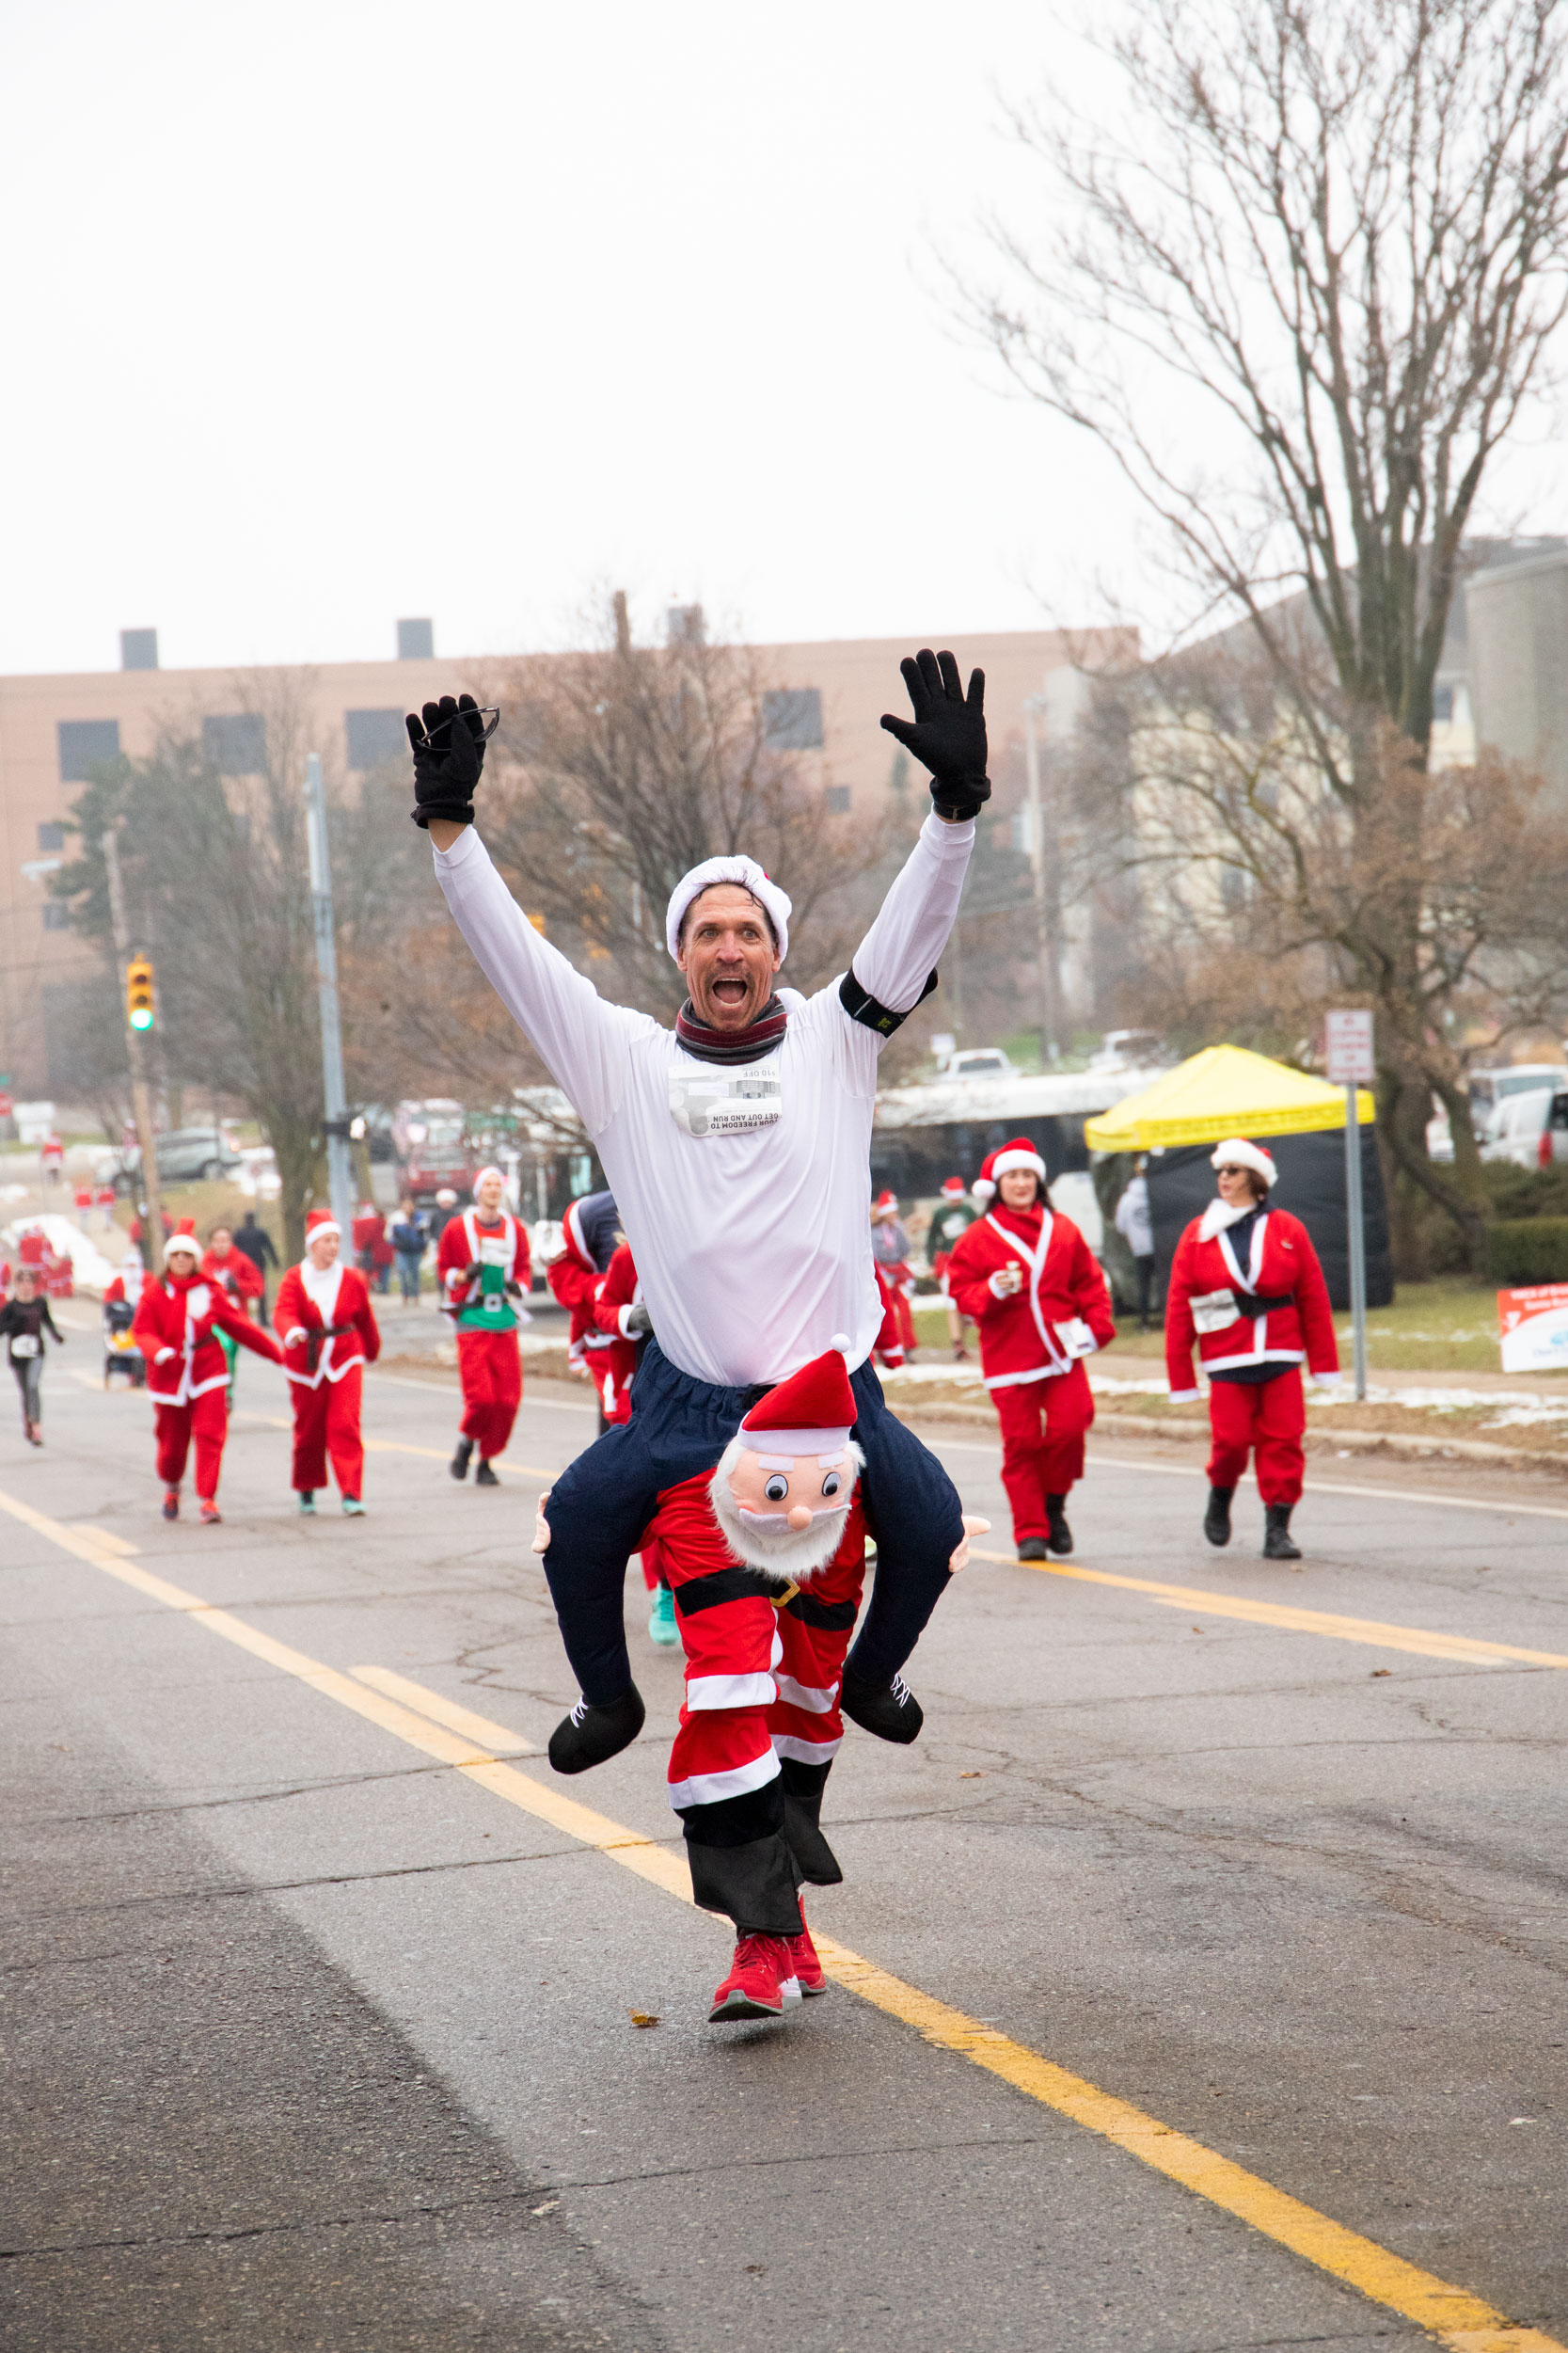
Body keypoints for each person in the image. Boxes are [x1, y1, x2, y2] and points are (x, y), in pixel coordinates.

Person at [410, 652, 987, 1772]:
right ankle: (609, 1701)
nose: (730, 948)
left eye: (749, 932)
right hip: (686, 1402)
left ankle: (870, 1674)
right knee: (576, 1527)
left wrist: (952, 817)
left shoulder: (839, 1035)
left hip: (826, 1395)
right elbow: (518, 962)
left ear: (776, 951)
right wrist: (450, 832)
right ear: (681, 954)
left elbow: (907, 935)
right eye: (707, 933)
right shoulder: (618, 1058)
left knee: (932, 1525)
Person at [1165, 1138, 1339, 1561]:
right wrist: (1181, 1375)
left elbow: (1313, 1295)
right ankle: (1220, 1496)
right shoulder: (1197, 1233)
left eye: (1232, 1171)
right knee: (1231, 1441)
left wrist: (1324, 1364)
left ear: (1255, 1178)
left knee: (1283, 1441)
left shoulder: (1288, 1228)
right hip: (1227, 1354)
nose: (1223, 1179)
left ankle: (1277, 1528)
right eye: (1220, 1172)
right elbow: (1179, 1304)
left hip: (1280, 1352)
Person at [946, 1138, 1116, 1560]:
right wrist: (990, 1290)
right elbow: (961, 1292)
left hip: (1061, 1353)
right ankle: (1031, 1531)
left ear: (1038, 1181)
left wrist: (1096, 1327)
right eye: (1012, 1177)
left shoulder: (1063, 1229)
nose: (1021, 1184)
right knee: (1021, 1444)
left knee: (1070, 1429)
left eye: (1027, 1175)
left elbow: (1089, 1283)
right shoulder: (978, 1237)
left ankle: (1054, 1505)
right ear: (997, 1185)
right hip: (1009, 1357)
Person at [131, 1218, 283, 1522]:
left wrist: (277, 1355)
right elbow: (142, 1330)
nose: (182, 1261)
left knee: (210, 1433)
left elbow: (239, 1326)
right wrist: (159, 1352)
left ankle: (208, 1498)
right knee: (172, 1443)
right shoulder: (155, 1292)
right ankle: (172, 1487)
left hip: (208, 1368)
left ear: (196, 1259)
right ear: (168, 1259)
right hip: (170, 1374)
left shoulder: (210, 1290)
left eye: (187, 1256)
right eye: (176, 1256)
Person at [589, 1237, 673, 1643]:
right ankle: (664, 1590)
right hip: (637, 1389)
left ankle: (686, 1587)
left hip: (697, 1391)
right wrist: (634, 1317)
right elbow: (600, 1310)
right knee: (651, 1496)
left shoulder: (703, 1244)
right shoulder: (628, 1256)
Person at [274, 1210, 382, 1516]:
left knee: (345, 1423)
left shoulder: (352, 1278)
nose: (332, 1247)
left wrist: (372, 1350)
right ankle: (306, 1488)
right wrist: (292, 1331)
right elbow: (282, 1311)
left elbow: (364, 1319)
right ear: (312, 1245)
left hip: (345, 1356)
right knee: (309, 1429)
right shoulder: (295, 1277)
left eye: (336, 1241)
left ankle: (351, 1492)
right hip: (304, 1361)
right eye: (326, 1241)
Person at [436, 1165, 531, 1485]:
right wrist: (464, 1275)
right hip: (472, 1318)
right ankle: (467, 1441)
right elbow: (444, 1270)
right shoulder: (456, 1228)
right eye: (487, 1184)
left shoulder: (514, 1228)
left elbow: (523, 1269)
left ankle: (486, 1460)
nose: (493, 1190)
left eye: (497, 1184)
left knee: (507, 1399)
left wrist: (520, 1286)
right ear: (478, 1191)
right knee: (482, 1398)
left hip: (503, 1317)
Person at [544, 1190, 622, 1423]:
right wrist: (604, 1289)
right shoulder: (588, 1213)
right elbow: (563, 1278)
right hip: (611, 1344)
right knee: (621, 1421)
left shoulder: (681, 1195)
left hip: (669, 1346)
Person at [202, 1223, 265, 1408]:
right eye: (217, 1241)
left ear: (230, 1242)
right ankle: (217, 1391)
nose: (221, 1245)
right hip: (213, 1319)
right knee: (223, 1348)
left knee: (231, 1356)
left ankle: (227, 1392)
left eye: (225, 1241)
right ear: (211, 1243)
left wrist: (238, 1287)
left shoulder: (241, 1261)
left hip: (236, 1318)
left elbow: (258, 1287)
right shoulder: (204, 1263)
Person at [2, 1265, 65, 1443]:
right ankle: (28, 1419)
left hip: (36, 1351)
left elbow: (48, 1321)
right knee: (25, 1390)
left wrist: (56, 1336)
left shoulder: (40, 1303)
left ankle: (37, 1427)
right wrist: (13, 1323)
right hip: (18, 1354)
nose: (26, 1286)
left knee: (33, 1386)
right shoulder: (11, 1307)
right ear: (17, 1284)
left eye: (29, 1282)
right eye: (22, 1282)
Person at [927, 1174, 977, 1360]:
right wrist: (931, 1260)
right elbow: (932, 1237)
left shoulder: (968, 1211)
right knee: (951, 1301)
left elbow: (976, 1234)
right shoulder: (940, 1213)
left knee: (964, 1303)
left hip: (967, 1260)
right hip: (948, 1261)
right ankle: (956, 1342)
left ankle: (961, 1343)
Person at [870, 1191, 918, 1359]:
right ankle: (886, 1348)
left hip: (899, 1272)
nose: (894, 1215)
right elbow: (873, 1255)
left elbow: (906, 1249)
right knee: (886, 1312)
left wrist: (902, 1229)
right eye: (891, 1212)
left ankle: (908, 1347)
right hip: (883, 1273)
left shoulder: (898, 1230)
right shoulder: (874, 1232)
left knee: (904, 1310)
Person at [1114, 1157, 1157, 1330]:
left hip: (1139, 1250)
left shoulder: (1126, 1199)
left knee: (1143, 1287)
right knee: (1165, 1284)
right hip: (1158, 1247)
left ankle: (1144, 1321)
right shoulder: (1156, 1192)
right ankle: (1166, 1318)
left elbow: (1120, 1225)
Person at [102, 1248, 147, 1387]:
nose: (132, 1269)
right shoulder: (119, 1282)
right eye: (129, 1266)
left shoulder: (147, 1279)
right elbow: (108, 1300)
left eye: (134, 1266)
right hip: (124, 1323)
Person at [231, 1209, 279, 1313]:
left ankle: (242, 1313)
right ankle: (263, 1318)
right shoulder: (260, 1232)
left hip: (242, 1265)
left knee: (240, 1289)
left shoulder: (239, 1233)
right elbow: (269, 1247)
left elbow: (232, 1249)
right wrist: (275, 1262)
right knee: (261, 1290)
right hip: (258, 1263)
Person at [388, 1195, 428, 1303]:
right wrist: (395, 1244)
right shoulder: (396, 1218)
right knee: (403, 1272)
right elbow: (389, 1235)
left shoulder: (419, 1217)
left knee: (415, 1273)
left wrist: (424, 1247)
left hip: (415, 1250)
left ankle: (415, 1296)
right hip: (401, 1251)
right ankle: (405, 1295)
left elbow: (424, 1234)